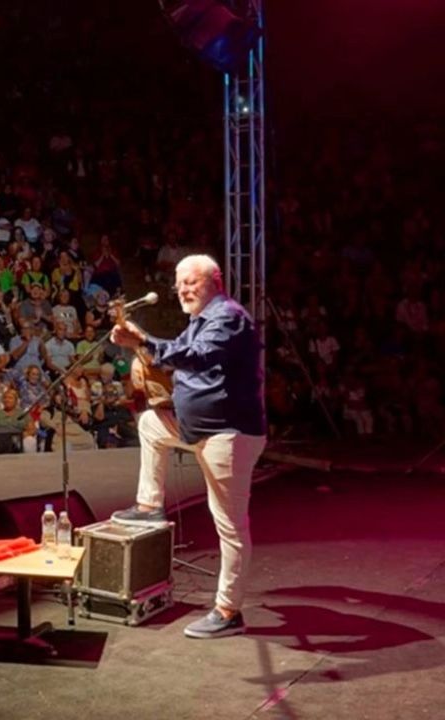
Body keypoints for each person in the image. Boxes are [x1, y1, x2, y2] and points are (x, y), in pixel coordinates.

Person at [108, 254, 266, 640]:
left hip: (227, 435)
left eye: (190, 282)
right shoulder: (200, 320)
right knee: (150, 423)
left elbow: (196, 357)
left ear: (215, 281)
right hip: (196, 429)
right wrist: (139, 347)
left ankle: (228, 610)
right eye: (179, 284)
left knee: (229, 526)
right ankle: (149, 505)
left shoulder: (227, 317)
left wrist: (144, 339)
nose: (182, 290)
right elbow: (175, 351)